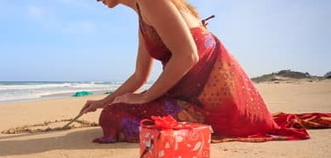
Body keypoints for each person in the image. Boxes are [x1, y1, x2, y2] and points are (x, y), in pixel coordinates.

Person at [79, 0, 282, 143]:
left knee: (113, 116)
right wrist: (103, 101)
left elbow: (187, 56)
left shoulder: (152, 2)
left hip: (210, 101)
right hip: (191, 93)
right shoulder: (145, 13)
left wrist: (145, 98)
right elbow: (140, 75)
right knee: (115, 107)